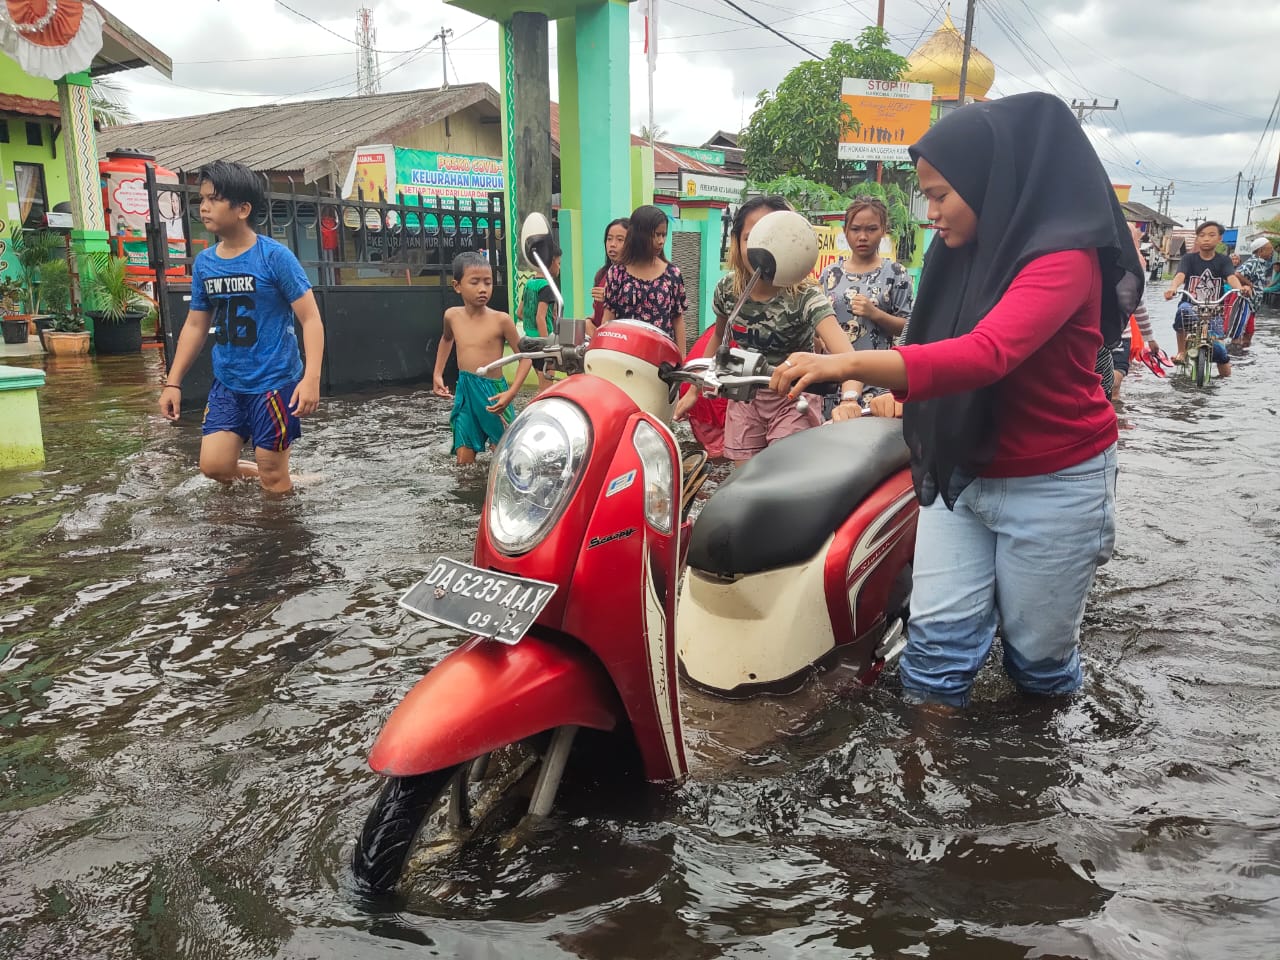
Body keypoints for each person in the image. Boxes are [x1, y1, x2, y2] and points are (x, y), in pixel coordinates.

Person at [771, 92, 1143, 709]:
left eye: (941, 194)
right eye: (926, 196)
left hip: (1054, 482)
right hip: (959, 469)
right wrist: (891, 397)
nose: (930, 213)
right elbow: (925, 339)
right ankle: (927, 790)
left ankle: (1029, 795)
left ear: (991, 182)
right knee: (934, 657)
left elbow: (985, 353)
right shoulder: (952, 253)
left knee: (1038, 669)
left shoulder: (1063, 259)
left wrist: (846, 364)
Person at [158, 160, 324, 495]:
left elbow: (311, 318)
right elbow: (195, 323)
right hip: (229, 382)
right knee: (214, 466)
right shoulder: (206, 262)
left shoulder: (274, 257)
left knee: (274, 479)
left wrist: (311, 380)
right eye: (201, 199)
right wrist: (173, 382)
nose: (203, 207)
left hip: (275, 383)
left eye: (214, 199)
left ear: (243, 209)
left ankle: (282, 537)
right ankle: (284, 477)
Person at [676, 195, 863, 465]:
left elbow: (847, 356)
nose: (762, 251)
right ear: (736, 242)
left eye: (772, 240)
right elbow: (719, 336)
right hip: (744, 397)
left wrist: (849, 399)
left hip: (793, 399)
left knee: (783, 478)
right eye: (751, 239)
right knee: (745, 481)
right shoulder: (729, 291)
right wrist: (695, 389)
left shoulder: (805, 295)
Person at [433, 252, 532, 465]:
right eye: (475, 282)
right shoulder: (452, 316)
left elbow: (525, 357)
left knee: (505, 457)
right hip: (465, 391)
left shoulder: (501, 320)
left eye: (488, 282)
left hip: (493, 394)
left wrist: (511, 392)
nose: (483, 289)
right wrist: (437, 374)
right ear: (457, 285)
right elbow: (446, 339)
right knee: (463, 462)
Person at [818, 196, 913, 416]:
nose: (863, 237)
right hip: (834, 380)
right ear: (845, 231)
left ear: (883, 230)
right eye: (856, 229)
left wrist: (875, 314)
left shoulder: (896, 274)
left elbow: (908, 327)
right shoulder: (830, 274)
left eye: (871, 229)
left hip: (877, 381)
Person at [1164, 220, 1245, 376]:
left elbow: (1231, 277)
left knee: (1221, 353)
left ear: (1220, 238)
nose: (1206, 239)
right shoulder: (1189, 259)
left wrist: (1240, 289)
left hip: (1215, 310)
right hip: (1191, 307)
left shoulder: (1224, 260)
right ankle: (1181, 352)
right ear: (1197, 239)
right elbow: (1180, 275)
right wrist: (1173, 288)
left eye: (1211, 235)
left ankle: (1226, 383)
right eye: (1202, 235)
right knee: (1182, 310)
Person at [600, 205, 687, 349]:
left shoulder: (672, 274)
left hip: (661, 360)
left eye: (663, 235)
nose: (661, 241)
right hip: (623, 355)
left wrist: (681, 360)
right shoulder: (617, 273)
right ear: (640, 235)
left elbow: (678, 320)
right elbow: (608, 317)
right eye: (656, 235)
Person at [1112, 224, 1160, 401]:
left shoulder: (1132, 270)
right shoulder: (1093, 265)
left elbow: (1140, 307)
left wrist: (1150, 339)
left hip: (1122, 335)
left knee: (1115, 382)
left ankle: (1113, 417)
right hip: (1097, 337)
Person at [519, 240, 562, 393]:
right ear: (550, 262)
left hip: (530, 341)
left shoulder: (529, 284)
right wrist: (548, 347)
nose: (559, 267)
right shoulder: (546, 286)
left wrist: (531, 329)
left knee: (542, 385)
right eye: (558, 263)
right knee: (547, 390)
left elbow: (520, 313)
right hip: (543, 345)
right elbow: (540, 317)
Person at [1234, 235, 1279, 347]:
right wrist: (1250, 284)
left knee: (1248, 333)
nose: (1271, 252)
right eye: (1269, 249)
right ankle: (1239, 354)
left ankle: (1242, 352)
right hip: (1247, 305)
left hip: (1253, 306)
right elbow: (1238, 274)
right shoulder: (1253, 262)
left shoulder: (1261, 263)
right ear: (1260, 250)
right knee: (1246, 332)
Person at [590, 218, 629, 331]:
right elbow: (597, 311)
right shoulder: (602, 274)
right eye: (609, 239)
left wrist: (610, 299)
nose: (612, 244)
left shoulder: (635, 278)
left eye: (620, 240)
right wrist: (589, 322)